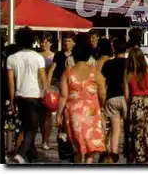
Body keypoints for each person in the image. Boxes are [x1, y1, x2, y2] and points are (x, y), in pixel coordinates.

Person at [56, 34, 106, 164]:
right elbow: (102, 93)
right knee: (90, 147)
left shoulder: (67, 72)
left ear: (75, 56)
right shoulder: (95, 72)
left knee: (76, 148)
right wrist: (101, 105)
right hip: (92, 111)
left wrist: (58, 115)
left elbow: (63, 96)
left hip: (73, 113)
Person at [7, 27, 48, 164]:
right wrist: (46, 93)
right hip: (34, 96)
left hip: (19, 96)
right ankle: (22, 153)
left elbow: (11, 83)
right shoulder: (38, 57)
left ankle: (32, 154)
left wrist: (12, 101)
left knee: (24, 126)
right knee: (32, 128)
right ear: (32, 41)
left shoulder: (11, 58)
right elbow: (43, 79)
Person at [124, 47, 148, 163]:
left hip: (136, 105)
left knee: (138, 135)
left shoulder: (128, 75)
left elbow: (126, 96)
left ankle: (139, 157)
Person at [100, 38, 127, 161]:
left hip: (112, 97)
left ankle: (113, 152)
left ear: (113, 49)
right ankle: (128, 150)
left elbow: (103, 83)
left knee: (114, 128)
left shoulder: (108, 64)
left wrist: (103, 99)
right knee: (127, 127)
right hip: (126, 97)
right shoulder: (129, 63)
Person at [39, 33, 55, 150]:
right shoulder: (36, 55)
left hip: (49, 86)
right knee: (40, 114)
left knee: (48, 113)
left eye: (46, 42)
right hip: (37, 85)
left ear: (50, 43)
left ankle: (46, 140)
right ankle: (43, 138)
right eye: (42, 42)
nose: (43, 44)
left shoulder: (54, 56)